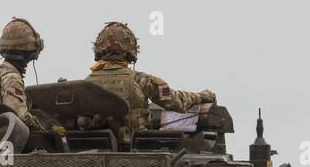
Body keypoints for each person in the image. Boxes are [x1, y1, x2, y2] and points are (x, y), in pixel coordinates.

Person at [84, 22, 215, 130]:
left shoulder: (85, 84)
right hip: (134, 148)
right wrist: (201, 96)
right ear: (131, 51)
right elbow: (176, 102)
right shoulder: (141, 80)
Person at [0, 17, 45, 129]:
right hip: (7, 138)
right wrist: (42, 128)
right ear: (29, 52)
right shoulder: (12, 78)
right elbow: (21, 117)